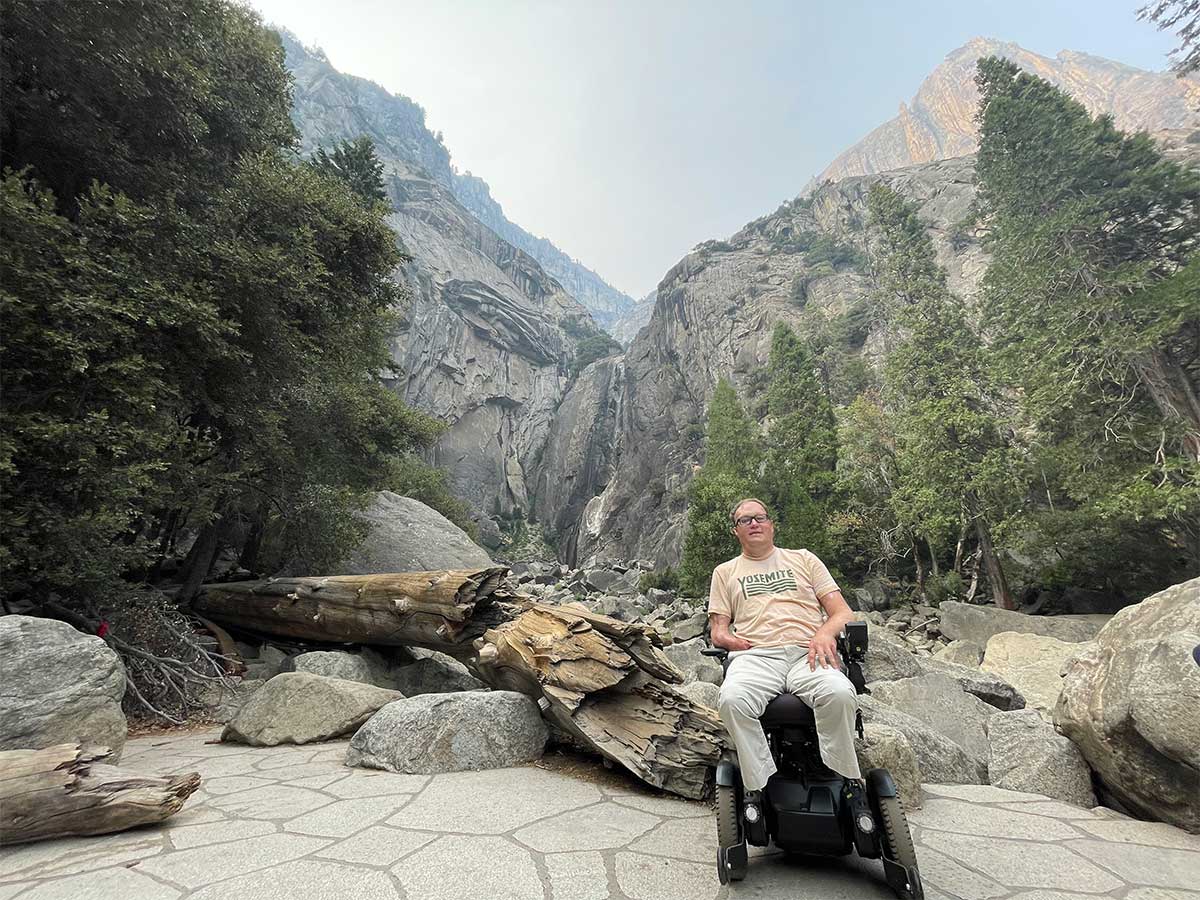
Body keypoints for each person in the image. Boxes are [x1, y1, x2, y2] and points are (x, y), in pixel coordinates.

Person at [708, 497, 862, 805]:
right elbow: (718, 630)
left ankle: (845, 777)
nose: (753, 523)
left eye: (759, 518)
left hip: (809, 652)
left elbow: (843, 614)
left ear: (771, 525)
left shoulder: (804, 559)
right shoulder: (725, 572)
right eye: (745, 520)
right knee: (732, 699)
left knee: (841, 693)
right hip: (756, 656)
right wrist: (731, 641)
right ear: (735, 531)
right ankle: (760, 781)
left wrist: (824, 633)